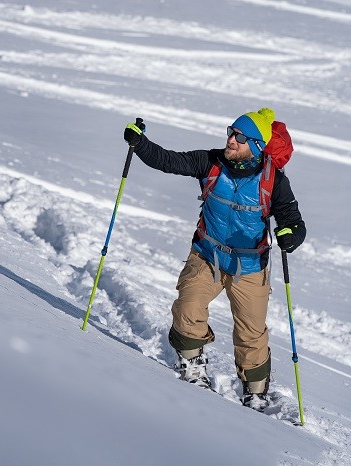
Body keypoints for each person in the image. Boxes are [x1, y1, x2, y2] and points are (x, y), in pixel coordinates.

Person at [123, 108, 306, 410]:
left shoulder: (274, 180)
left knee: (251, 334)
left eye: (240, 136)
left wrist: (290, 234)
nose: (231, 140)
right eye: (231, 132)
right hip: (207, 255)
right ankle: (193, 367)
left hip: (249, 266)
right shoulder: (210, 162)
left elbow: (292, 219)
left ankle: (255, 392)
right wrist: (140, 143)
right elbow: (169, 160)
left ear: (257, 146)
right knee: (187, 307)